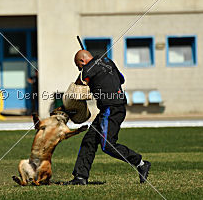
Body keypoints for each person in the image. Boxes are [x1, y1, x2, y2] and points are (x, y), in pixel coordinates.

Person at [64, 50, 151, 185]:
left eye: (78, 65)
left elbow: (78, 85)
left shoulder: (87, 69)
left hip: (112, 109)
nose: (79, 69)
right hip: (111, 108)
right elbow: (121, 79)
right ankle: (80, 177)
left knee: (108, 145)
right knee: (89, 140)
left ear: (82, 60)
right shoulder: (108, 62)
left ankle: (141, 163)